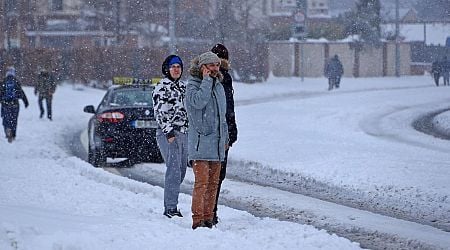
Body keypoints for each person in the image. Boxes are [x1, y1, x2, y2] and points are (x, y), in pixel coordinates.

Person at [185, 51, 228, 230]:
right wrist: (206, 81)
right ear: (202, 67)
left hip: (217, 143)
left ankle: (209, 219)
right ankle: (198, 220)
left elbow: (222, 115)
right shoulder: (192, 85)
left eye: (217, 65)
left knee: (213, 184)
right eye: (211, 65)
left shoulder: (218, 85)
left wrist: (225, 138)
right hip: (201, 142)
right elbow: (197, 103)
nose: (215, 68)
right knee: (201, 184)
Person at [152, 55, 188, 218]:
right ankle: (170, 209)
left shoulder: (182, 86)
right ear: (167, 69)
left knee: (181, 171)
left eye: (178, 66)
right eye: (173, 66)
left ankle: (171, 201)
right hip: (169, 133)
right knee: (173, 171)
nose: (176, 69)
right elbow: (160, 112)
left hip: (183, 133)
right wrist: (169, 132)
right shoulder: (162, 86)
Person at [210, 43, 238, 225]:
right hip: (217, 132)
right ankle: (209, 211)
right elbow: (228, 108)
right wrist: (232, 128)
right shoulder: (220, 79)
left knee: (214, 174)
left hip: (220, 132)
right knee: (215, 174)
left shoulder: (223, 78)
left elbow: (228, 107)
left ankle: (210, 211)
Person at [0, 66, 29, 143]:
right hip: (15, 104)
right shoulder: (16, 81)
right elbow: (21, 93)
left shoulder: (3, 81)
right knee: (14, 120)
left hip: (5, 104)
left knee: (5, 119)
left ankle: (7, 130)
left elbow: (0, 93)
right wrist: (26, 102)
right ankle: (13, 134)